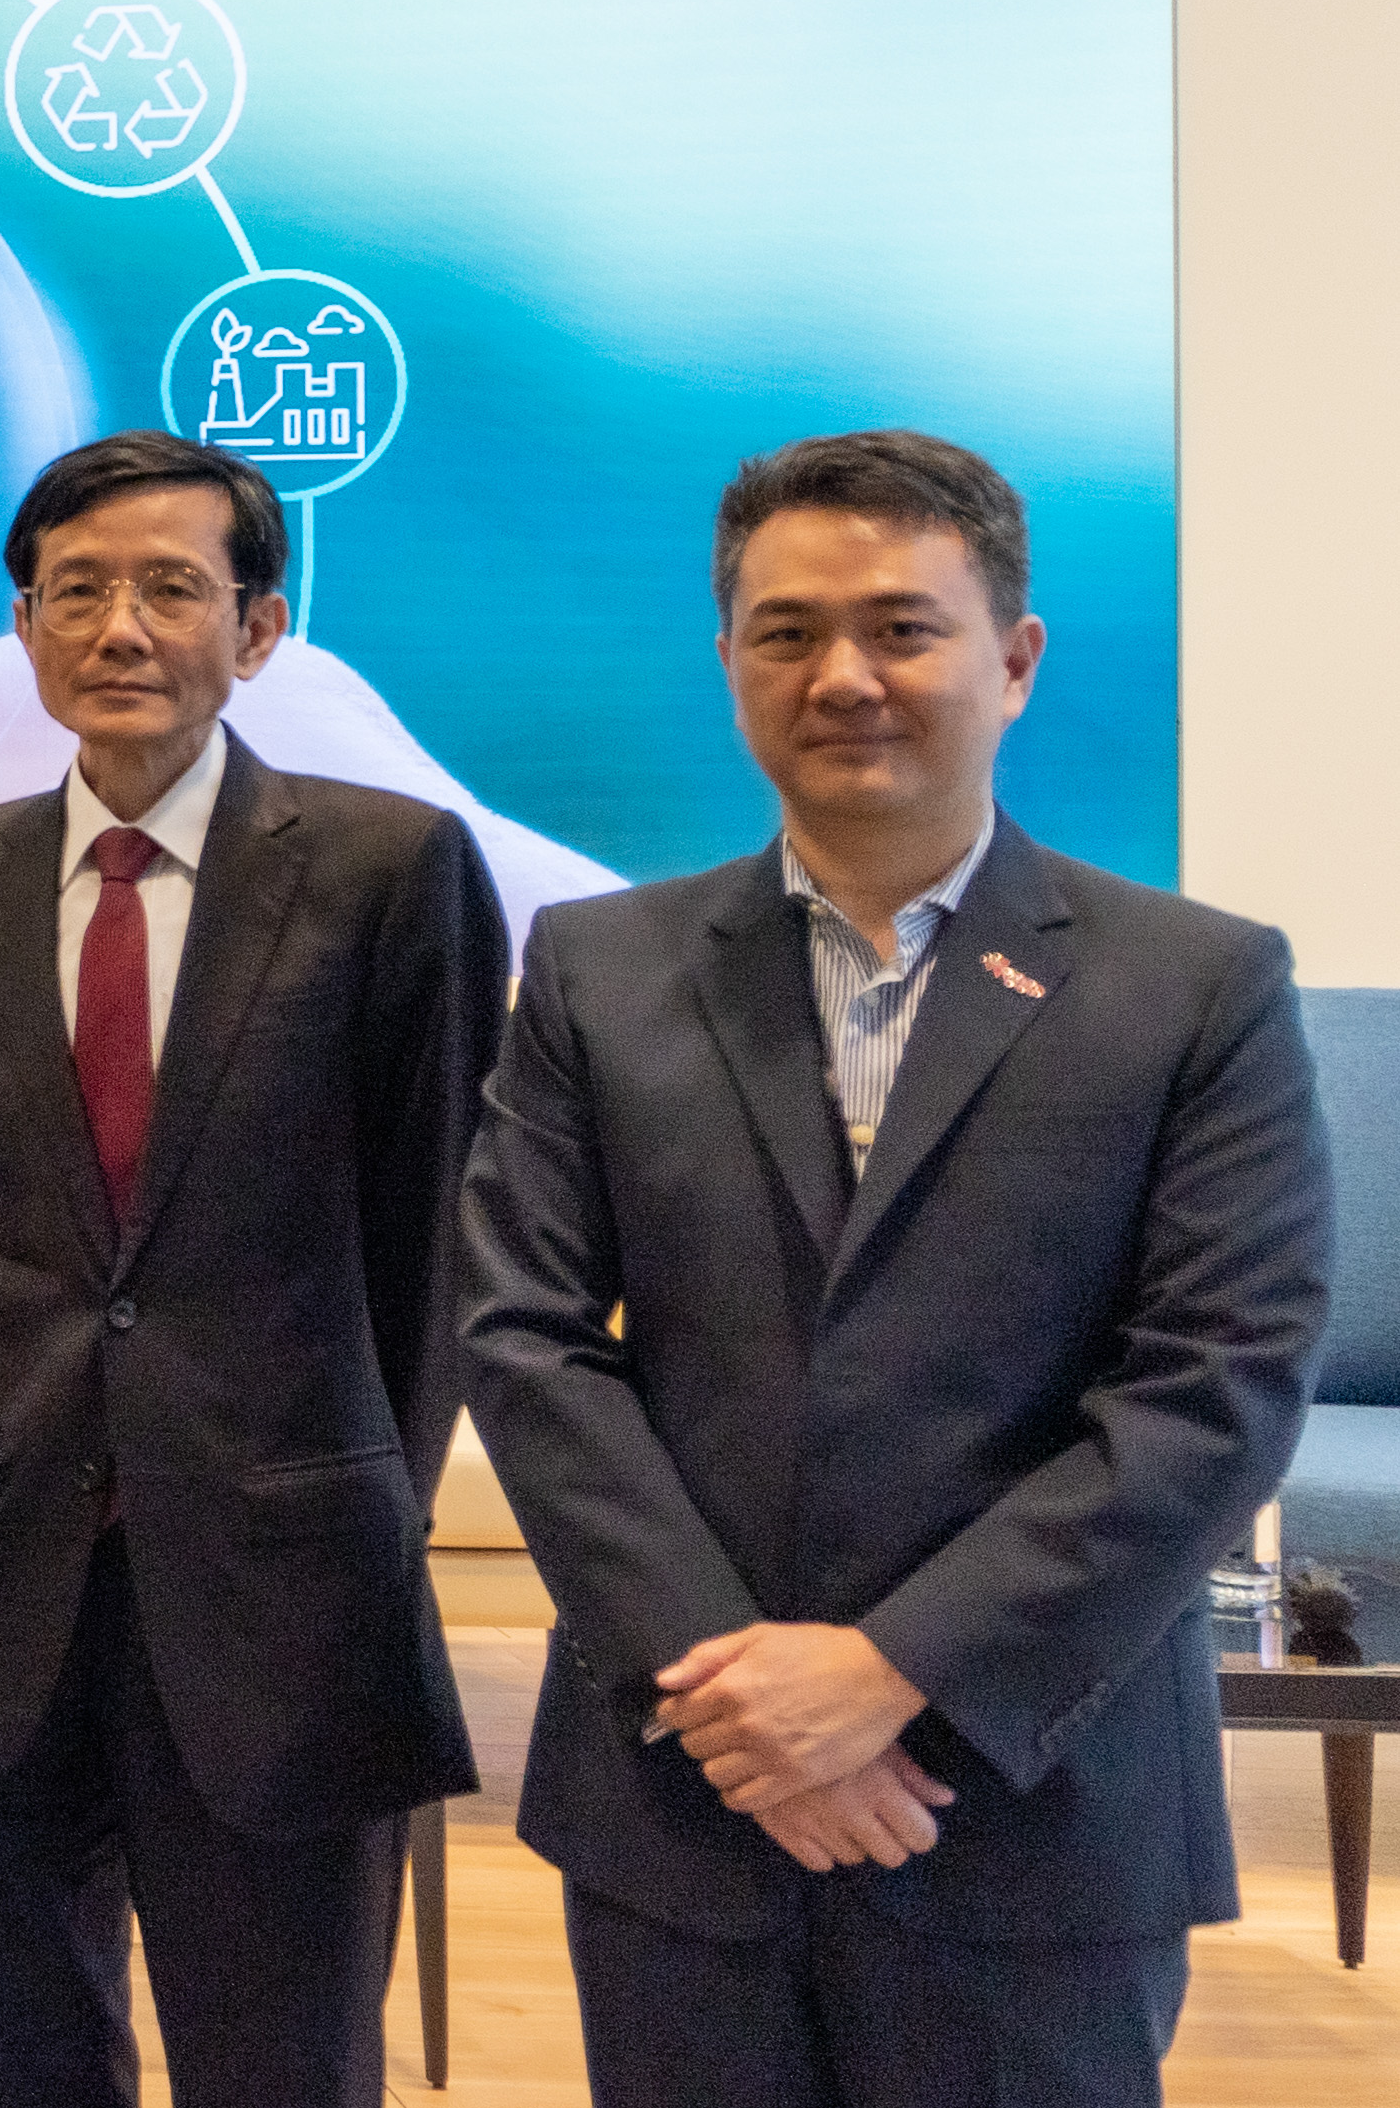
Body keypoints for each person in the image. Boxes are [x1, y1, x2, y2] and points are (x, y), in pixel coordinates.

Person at [461, 431, 1329, 2108]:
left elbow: (1213, 1385)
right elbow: (526, 1337)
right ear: (726, 663)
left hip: (1030, 1795)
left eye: (901, 627)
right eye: (784, 631)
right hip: (681, 1793)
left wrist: (888, 1674)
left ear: (1012, 659)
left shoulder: (1192, 984)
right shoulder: (599, 968)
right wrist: (733, 1689)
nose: (841, 674)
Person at [0, 430, 507, 2108]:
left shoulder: (390, 867)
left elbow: (429, 1233)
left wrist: (356, 1497)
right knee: (5, 2054)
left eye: (170, 586)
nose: (120, 627)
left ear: (261, 624)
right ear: (20, 627)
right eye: (73, 591)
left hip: (280, 1573)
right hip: (0, 1563)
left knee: (280, 2057)